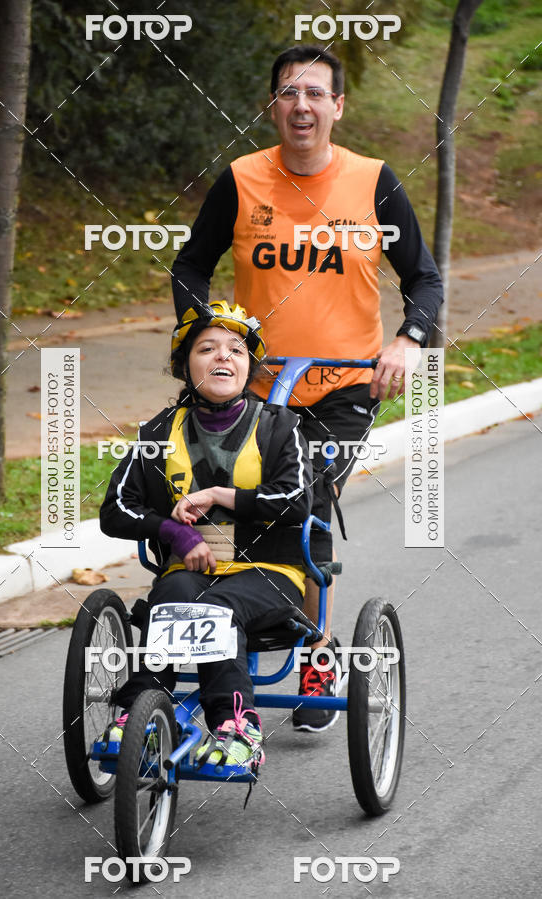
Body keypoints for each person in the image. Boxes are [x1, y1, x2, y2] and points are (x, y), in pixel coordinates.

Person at [170, 44, 444, 732]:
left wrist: (409, 339)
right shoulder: (240, 180)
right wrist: (202, 337)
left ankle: (315, 648)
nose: (302, 105)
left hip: (344, 387)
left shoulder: (374, 181)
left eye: (316, 93)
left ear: (337, 106)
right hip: (254, 389)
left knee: (306, 498)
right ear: (272, 106)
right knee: (229, 501)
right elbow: (190, 265)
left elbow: (425, 278)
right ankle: (233, 629)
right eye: (289, 93)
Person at [99, 301, 318, 771]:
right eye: (207, 348)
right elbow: (115, 510)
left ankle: (236, 725)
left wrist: (222, 494)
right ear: (185, 366)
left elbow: (297, 501)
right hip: (190, 570)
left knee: (215, 608)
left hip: (270, 573)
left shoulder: (282, 427)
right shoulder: (158, 431)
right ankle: (141, 712)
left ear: (248, 367)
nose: (223, 357)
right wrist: (172, 532)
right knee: (172, 594)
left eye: (236, 350)